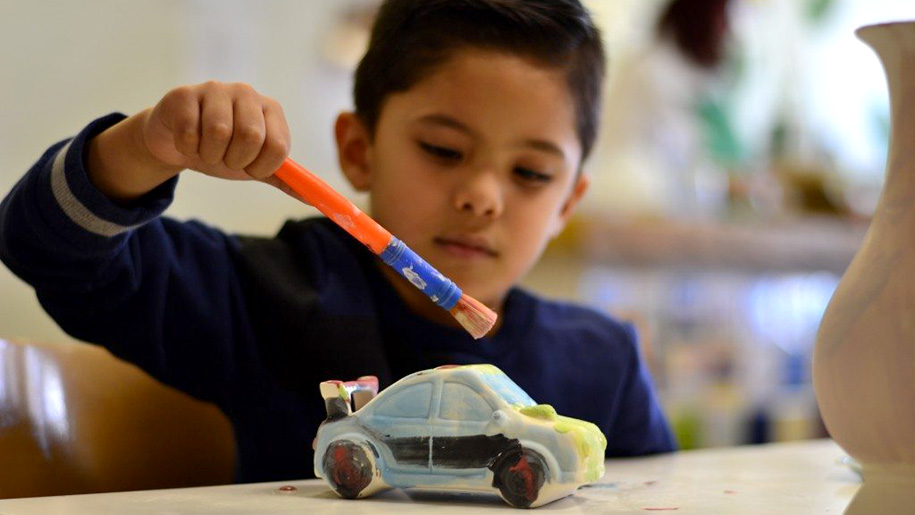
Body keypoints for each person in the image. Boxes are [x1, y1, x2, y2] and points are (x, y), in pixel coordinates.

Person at [0, 0, 675, 483]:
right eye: (442, 149)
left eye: (529, 172)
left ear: (568, 202)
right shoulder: (272, 293)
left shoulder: (603, 362)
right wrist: (142, 147)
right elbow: (43, 245)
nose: (483, 196)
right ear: (357, 150)